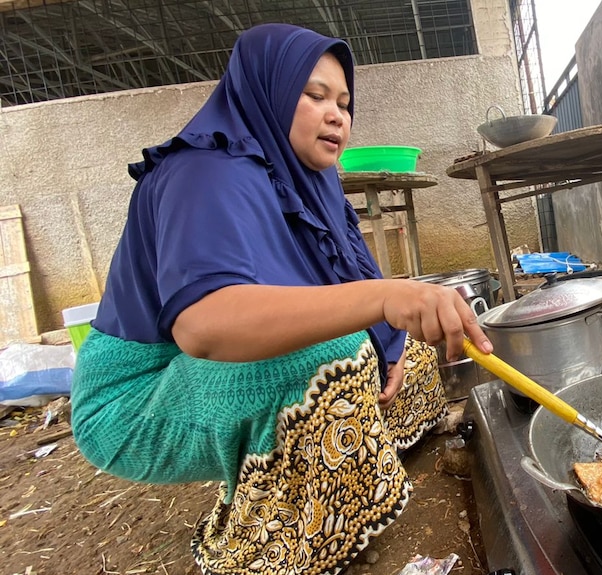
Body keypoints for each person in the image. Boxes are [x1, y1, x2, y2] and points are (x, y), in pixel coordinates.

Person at [70, 23, 493, 574]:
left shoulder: (308, 179)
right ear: (265, 91)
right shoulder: (204, 171)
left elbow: (352, 282)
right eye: (314, 95)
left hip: (192, 369)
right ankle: (264, 539)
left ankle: (353, 469)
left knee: (399, 343)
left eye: (344, 102)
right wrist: (384, 302)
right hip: (134, 398)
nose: (337, 114)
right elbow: (205, 327)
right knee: (331, 359)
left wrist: (392, 326)